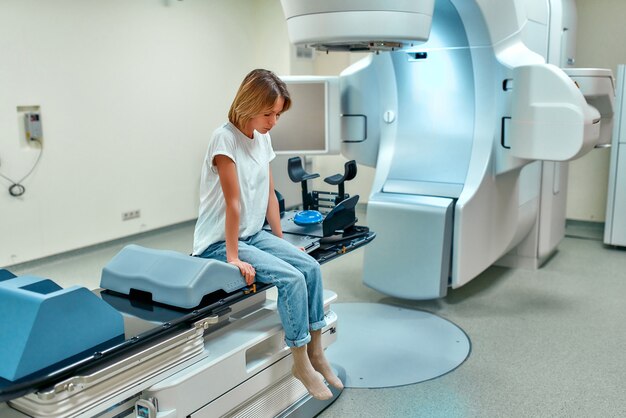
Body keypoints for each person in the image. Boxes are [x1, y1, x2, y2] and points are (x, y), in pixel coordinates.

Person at [192, 69, 342, 400]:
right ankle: (300, 361)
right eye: (268, 113)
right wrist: (232, 257)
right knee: (291, 280)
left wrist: (284, 242)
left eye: (277, 114)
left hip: (253, 234)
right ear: (249, 104)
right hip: (219, 242)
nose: (274, 121)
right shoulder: (224, 139)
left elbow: (270, 195)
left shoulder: (263, 138)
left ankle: (317, 351)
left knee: (310, 268)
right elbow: (233, 203)